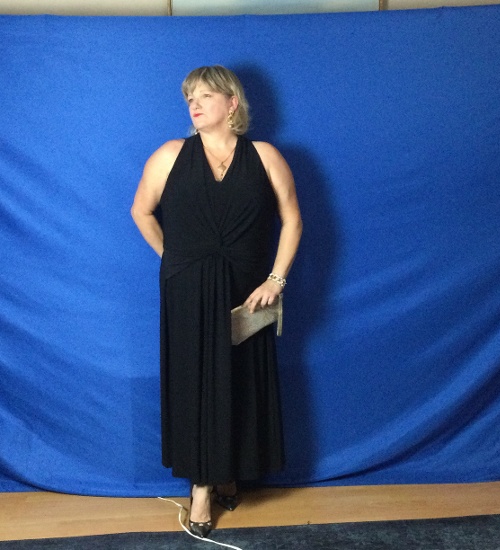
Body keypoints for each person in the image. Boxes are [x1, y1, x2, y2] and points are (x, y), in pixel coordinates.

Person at [131, 65, 302, 538]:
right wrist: (175, 259)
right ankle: (201, 487)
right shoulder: (170, 155)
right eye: (190, 96)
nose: (195, 103)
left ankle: (229, 471)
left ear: (232, 103)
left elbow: (292, 220)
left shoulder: (265, 156)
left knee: (241, 383)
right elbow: (141, 210)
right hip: (187, 292)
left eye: (206, 95)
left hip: (249, 295)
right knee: (195, 386)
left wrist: (276, 280)